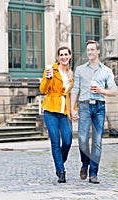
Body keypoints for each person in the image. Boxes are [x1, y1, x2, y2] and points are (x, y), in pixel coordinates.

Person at [70, 40, 117, 184]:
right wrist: (72, 108)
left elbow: (114, 92)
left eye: (92, 50)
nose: (89, 52)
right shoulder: (80, 70)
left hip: (99, 107)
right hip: (84, 106)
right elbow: (75, 89)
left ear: (98, 51)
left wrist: (101, 91)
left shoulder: (106, 71)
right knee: (83, 140)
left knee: (97, 141)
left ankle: (93, 173)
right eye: (88, 50)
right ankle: (85, 163)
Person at [39, 46, 74, 183]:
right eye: (61, 55)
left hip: (64, 111)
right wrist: (48, 78)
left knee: (67, 140)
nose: (64, 57)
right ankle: (60, 171)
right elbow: (43, 89)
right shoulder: (51, 70)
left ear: (70, 56)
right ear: (58, 57)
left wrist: (73, 110)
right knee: (55, 142)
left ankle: (59, 160)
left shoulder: (71, 74)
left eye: (66, 54)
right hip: (50, 110)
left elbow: (71, 94)